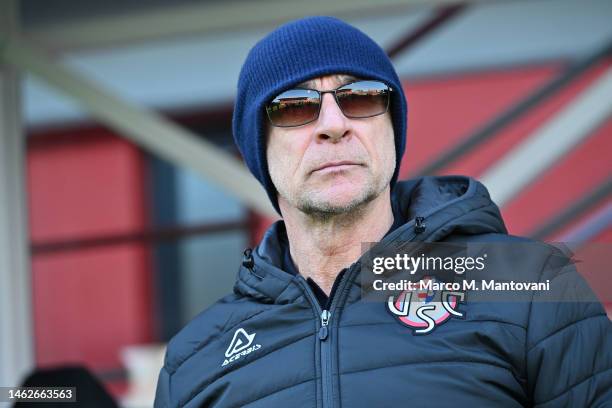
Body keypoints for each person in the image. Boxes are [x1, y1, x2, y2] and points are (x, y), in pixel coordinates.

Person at [154, 16, 611, 407]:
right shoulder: (194, 362)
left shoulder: (532, 286)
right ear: (259, 149)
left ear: (392, 130)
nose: (334, 125)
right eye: (294, 106)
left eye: (362, 97)